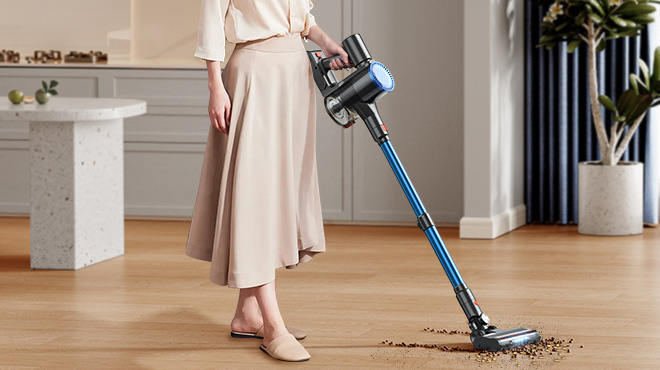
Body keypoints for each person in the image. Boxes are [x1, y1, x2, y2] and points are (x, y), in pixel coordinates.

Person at [184, 0, 352, 362]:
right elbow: (212, 20)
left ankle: (248, 315)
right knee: (254, 194)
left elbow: (301, 18)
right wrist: (215, 85)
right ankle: (272, 325)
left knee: (277, 193)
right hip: (254, 73)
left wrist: (325, 41)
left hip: (295, 73)